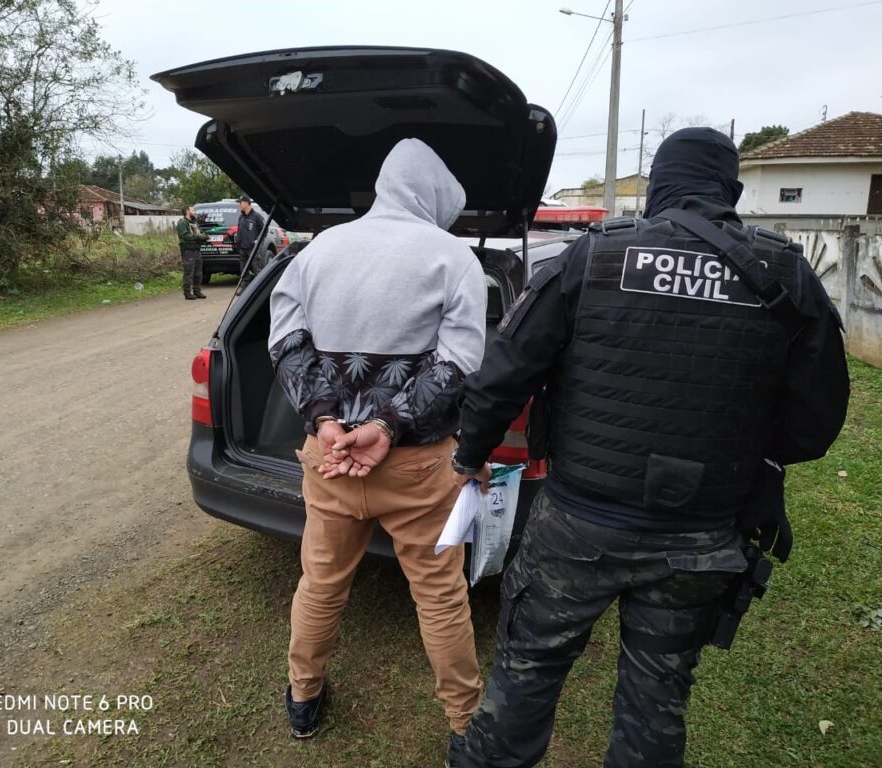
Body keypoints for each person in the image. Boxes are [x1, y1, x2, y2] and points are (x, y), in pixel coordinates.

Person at [448, 128, 849, 768]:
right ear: (731, 190)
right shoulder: (785, 274)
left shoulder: (593, 258)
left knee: (527, 670)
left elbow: (503, 374)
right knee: (656, 700)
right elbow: (816, 423)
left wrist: (468, 457)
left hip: (578, 525)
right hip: (700, 539)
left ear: (659, 184)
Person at [267, 138, 486, 755]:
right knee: (441, 595)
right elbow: (461, 361)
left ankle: (303, 698)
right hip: (417, 467)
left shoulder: (319, 250)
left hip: (330, 458)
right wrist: (388, 424)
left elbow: (286, 344)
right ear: (435, 194)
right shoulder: (453, 258)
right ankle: (466, 728)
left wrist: (325, 420)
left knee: (321, 582)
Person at [176, 206, 208, 299]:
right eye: (192, 210)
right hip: (188, 251)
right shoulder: (182, 223)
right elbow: (185, 236)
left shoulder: (194, 223)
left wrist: (205, 236)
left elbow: (201, 232)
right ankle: (187, 292)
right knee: (189, 273)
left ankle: (197, 291)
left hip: (197, 250)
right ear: (187, 211)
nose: (194, 212)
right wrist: (198, 237)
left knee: (198, 272)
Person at [236, 194, 266, 273]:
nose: (239, 204)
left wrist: (257, 241)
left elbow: (264, 230)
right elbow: (239, 231)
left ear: (246, 203)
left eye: (240, 202)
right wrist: (237, 242)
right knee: (243, 272)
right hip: (242, 249)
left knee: (256, 270)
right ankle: (245, 285)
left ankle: (260, 285)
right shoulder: (241, 217)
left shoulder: (256, 216)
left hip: (253, 249)